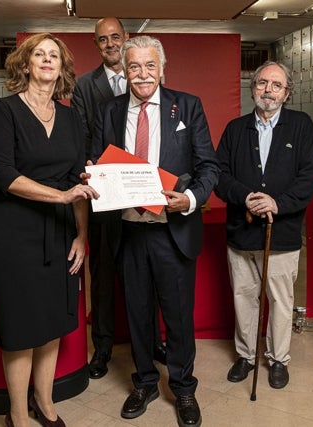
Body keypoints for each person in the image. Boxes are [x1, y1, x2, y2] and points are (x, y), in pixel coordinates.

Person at [91, 35, 219, 427]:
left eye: (149, 66)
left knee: (178, 316)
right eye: (134, 67)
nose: (142, 74)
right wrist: (93, 174)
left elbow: (208, 167)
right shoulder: (109, 111)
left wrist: (191, 199)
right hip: (128, 230)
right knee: (138, 313)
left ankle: (183, 388)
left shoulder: (189, 106)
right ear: (125, 71)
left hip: (172, 228)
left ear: (162, 69)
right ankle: (145, 381)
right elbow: (97, 160)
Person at [0, 33, 97, 427]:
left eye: (55, 56)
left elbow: (75, 181)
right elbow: (4, 175)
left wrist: (81, 235)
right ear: (25, 63)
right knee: (19, 324)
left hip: (60, 230)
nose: (47, 60)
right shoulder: (3, 110)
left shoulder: (69, 117)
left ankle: (43, 403)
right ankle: (17, 413)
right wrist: (62, 197)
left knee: (51, 321)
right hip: (14, 231)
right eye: (39, 54)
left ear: (62, 68)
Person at [71, 17, 166, 380]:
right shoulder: (85, 86)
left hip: (146, 196)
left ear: (125, 39)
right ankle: (104, 347)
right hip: (107, 197)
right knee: (105, 274)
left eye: (115, 37)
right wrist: (95, 171)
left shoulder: (147, 70)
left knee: (151, 269)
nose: (110, 43)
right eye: (102, 40)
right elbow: (83, 139)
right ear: (96, 46)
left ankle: (155, 341)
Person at [215, 61, 313, 389]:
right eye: (262, 83)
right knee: (244, 297)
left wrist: (277, 203)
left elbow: (307, 179)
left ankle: (277, 359)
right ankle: (245, 356)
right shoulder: (235, 129)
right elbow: (219, 175)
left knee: (280, 300)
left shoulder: (301, 126)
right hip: (241, 233)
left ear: (287, 92)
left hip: (282, 233)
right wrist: (246, 197)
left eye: (276, 85)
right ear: (252, 88)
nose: (268, 90)